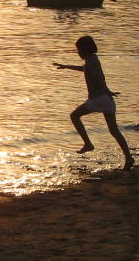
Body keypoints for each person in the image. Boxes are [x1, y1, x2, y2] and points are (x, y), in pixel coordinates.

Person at [54, 36, 134, 171]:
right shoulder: (93, 59)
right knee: (114, 131)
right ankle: (129, 157)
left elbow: (98, 77)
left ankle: (88, 144)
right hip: (107, 100)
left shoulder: (91, 62)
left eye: (78, 50)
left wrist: (108, 90)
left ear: (84, 50)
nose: (77, 52)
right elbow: (84, 69)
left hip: (99, 99)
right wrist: (66, 66)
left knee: (74, 116)